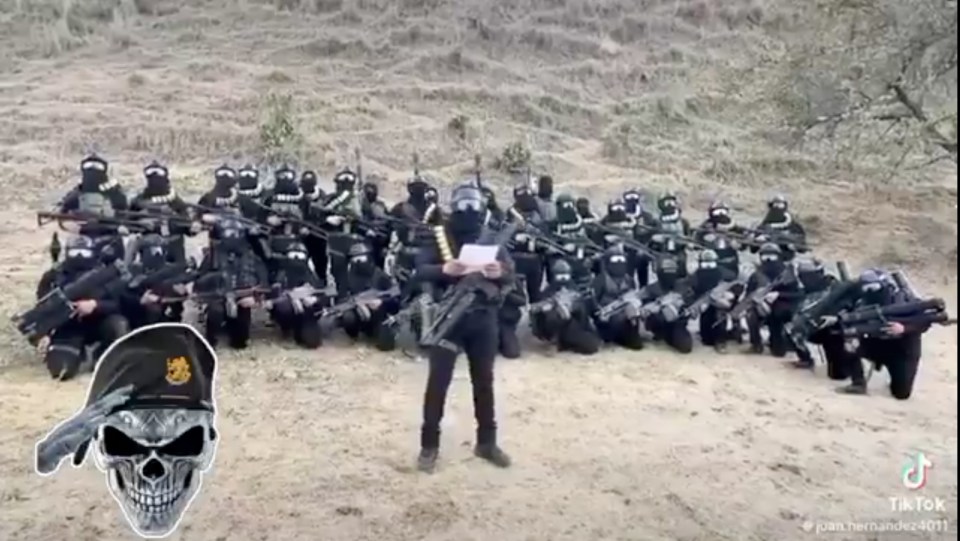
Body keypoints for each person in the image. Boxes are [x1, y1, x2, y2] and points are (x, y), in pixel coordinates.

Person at [415, 183, 515, 473]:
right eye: (462, 207)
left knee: (484, 383)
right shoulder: (440, 236)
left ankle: (487, 443)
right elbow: (417, 270)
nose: (467, 212)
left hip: (483, 319)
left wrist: (500, 271)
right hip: (448, 320)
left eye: (473, 207)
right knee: (438, 385)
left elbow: (512, 275)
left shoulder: (490, 239)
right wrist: (443, 270)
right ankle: (428, 447)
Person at [35, 236, 129, 381]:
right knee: (61, 372)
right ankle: (75, 354)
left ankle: (102, 355)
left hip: (97, 323)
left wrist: (95, 305)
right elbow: (43, 309)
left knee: (118, 325)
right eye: (75, 252)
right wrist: (44, 334)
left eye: (84, 252)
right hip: (67, 328)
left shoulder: (103, 274)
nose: (79, 256)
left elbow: (116, 304)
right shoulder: (53, 277)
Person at [838, 270, 926, 400]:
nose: (870, 291)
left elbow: (925, 321)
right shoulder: (864, 300)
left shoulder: (904, 299)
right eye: (867, 287)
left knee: (901, 394)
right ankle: (858, 383)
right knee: (850, 342)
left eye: (873, 287)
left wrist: (904, 328)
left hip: (903, 350)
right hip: (877, 344)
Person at [195, 216, 268, 350]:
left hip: (242, 300)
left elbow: (264, 281)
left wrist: (255, 297)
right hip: (219, 298)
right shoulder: (212, 256)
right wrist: (213, 292)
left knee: (240, 343)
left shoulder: (252, 257)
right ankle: (211, 337)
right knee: (215, 312)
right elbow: (199, 282)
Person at [58, 154, 129, 261]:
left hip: (110, 236)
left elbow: (124, 211)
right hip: (84, 237)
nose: (92, 173)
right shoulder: (78, 192)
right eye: (88, 168)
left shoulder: (114, 192)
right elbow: (63, 213)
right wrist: (73, 226)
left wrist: (120, 226)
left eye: (96, 167)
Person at [129, 161, 198, 266]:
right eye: (151, 178)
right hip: (150, 246)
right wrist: (141, 223)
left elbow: (189, 227)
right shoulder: (139, 200)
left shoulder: (175, 201)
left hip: (174, 247)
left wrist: (193, 227)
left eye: (158, 177)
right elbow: (129, 223)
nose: (155, 182)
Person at [790, 258, 850, 379]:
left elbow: (847, 305)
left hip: (835, 327)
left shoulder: (834, 287)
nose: (806, 279)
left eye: (809, 275)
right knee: (792, 328)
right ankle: (805, 359)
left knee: (837, 373)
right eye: (803, 276)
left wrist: (835, 317)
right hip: (813, 327)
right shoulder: (805, 290)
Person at [337, 242, 400, 351]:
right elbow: (341, 297)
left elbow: (396, 297)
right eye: (355, 259)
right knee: (348, 317)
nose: (358, 262)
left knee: (386, 345)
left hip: (378, 314)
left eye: (362, 258)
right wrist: (355, 303)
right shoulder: (347, 276)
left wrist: (381, 301)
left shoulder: (380, 275)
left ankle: (374, 331)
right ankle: (354, 333)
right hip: (357, 313)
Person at [530, 259, 600, 354]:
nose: (563, 279)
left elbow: (584, 315)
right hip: (555, 329)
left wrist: (573, 308)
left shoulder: (575, 290)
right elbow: (537, 317)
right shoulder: (548, 291)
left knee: (592, 346)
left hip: (572, 326)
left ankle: (567, 344)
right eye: (560, 276)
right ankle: (555, 342)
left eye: (565, 276)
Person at [265, 242, 327, 349]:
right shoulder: (281, 273)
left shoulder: (311, 275)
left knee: (312, 342)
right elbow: (272, 294)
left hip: (307, 313)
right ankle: (286, 328)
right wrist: (292, 296)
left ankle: (303, 330)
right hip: (288, 309)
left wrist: (315, 299)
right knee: (283, 308)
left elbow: (322, 294)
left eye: (300, 255)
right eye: (292, 255)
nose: (296, 258)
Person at [744, 243, 803, 356]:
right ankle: (756, 344)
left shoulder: (787, 273)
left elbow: (798, 294)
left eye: (772, 256)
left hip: (783, 306)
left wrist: (778, 294)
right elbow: (749, 293)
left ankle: (784, 342)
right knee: (750, 314)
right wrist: (757, 300)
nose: (769, 259)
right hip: (763, 306)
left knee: (778, 349)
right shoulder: (757, 274)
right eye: (765, 256)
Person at [591, 246, 645, 350]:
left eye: (622, 260)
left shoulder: (629, 280)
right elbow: (593, 304)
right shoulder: (600, 280)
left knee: (637, 344)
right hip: (608, 322)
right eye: (615, 260)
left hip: (626, 321)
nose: (619, 263)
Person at [638, 257, 693, 353]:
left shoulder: (682, 286)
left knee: (686, 347)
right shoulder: (651, 288)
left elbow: (691, 301)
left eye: (672, 271)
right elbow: (637, 300)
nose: (669, 275)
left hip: (677, 323)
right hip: (659, 322)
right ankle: (660, 332)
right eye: (666, 271)